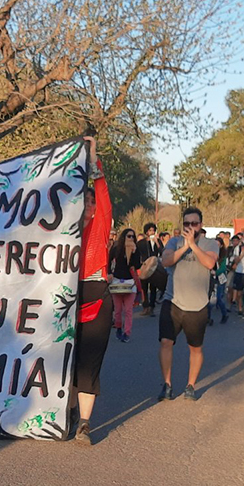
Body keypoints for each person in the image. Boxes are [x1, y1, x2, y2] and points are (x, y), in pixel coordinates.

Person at [157, 206, 219, 401]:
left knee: (195, 347)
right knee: (166, 342)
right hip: (172, 300)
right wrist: (184, 246)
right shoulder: (175, 242)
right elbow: (166, 261)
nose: (190, 226)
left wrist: (193, 245)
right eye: (186, 223)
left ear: (201, 225)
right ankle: (167, 384)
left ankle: (190, 385)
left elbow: (209, 263)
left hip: (197, 305)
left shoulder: (210, 243)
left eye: (194, 223)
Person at [73, 151, 113, 445]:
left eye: (91, 201)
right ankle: (67, 415)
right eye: (82, 201)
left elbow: (102, 192)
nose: (88, 206)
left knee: (89, 362)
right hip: (67, 298)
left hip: (97, 295)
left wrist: (94, 159)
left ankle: (84, 424)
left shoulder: (101, 225)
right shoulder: (64, 230)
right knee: (66, 361)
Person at [108, 228, 141, 342]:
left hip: (130, 282)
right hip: (117, 280)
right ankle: (118, 328)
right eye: (129, 236)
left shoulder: (135, 249)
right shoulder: (116, 248)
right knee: (117, 310)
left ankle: (127, 333)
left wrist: (134, 253)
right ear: (124, 237)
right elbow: (108, 261)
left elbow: (137, 266)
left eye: (133, 236)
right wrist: (109, 273)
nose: (131, 238)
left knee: (128, 310)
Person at [137, 223, 164, 316]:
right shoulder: (141, 243)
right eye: (150, 230)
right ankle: (145, 307)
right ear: (146, 232)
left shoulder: (158, 241)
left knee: (153, 288)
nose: (151, 232)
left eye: (153, 230)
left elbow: (162, 251)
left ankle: (152, 307)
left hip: (154, 266)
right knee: (144, 288)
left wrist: (156, 242)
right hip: (144, 266)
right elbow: (137, 254)